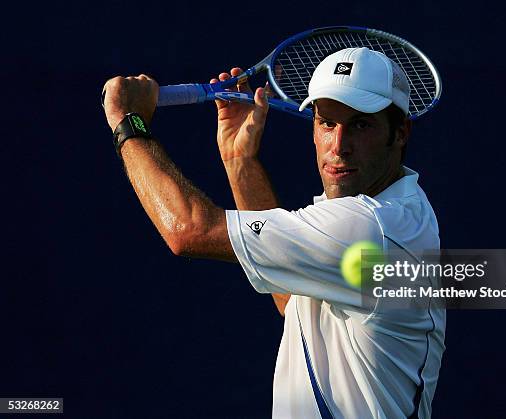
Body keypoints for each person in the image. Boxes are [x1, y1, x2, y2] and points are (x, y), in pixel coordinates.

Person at [102, 47, 445, 418]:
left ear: (400, 132)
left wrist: (128, 122)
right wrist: (240, 163)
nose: (338, 146)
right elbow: (292, 301)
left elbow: (187, 229)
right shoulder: (396, 213)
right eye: (327, 123)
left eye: (361, 125)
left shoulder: (370, 229)